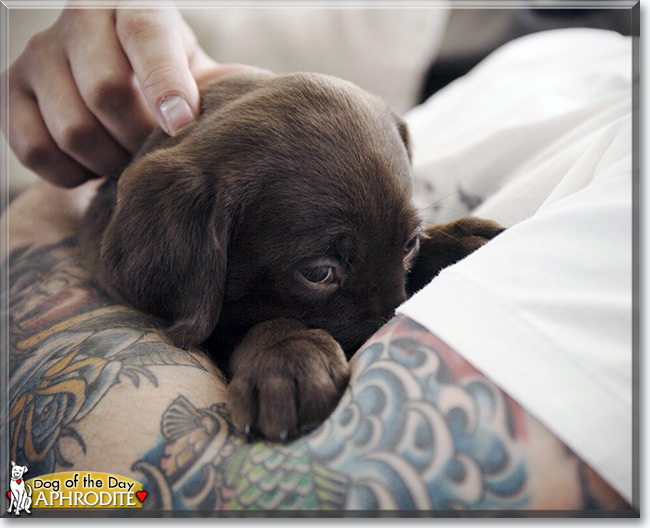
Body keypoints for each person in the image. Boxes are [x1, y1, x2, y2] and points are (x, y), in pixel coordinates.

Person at [2, 6, 636, 513]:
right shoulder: (520, 67)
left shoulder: (625, 217)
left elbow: (86, 496)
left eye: (408, 248)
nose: (393, 313)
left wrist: (41, 215)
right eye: (323, 272)